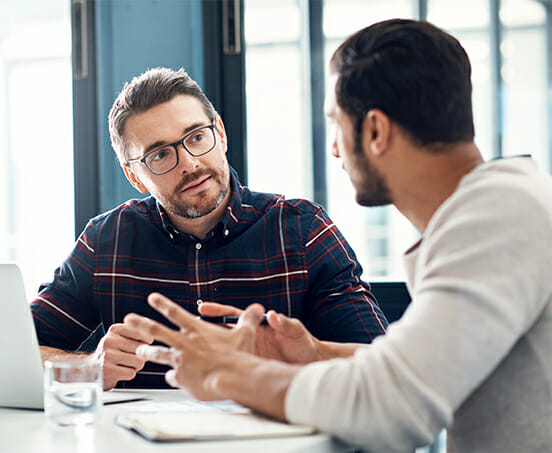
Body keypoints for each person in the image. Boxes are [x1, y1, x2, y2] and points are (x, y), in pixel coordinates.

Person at [124, 19, 552, 452]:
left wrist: (229, 373)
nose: (333, 148)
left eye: (336, 124)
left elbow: (392, 408)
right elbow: (422, 367)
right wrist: (314, 353)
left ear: (375, 132)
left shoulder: (496, 219)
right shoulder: (500, 208)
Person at [30, 67, 388, 390]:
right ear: (134, 176)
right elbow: (14, 353)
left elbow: (382, 367)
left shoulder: (304, 230)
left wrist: (301, 353)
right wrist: (86, 367)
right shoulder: (105, 242)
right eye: (160, 155)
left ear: (220, 133)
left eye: (197, 136)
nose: (189, 162)